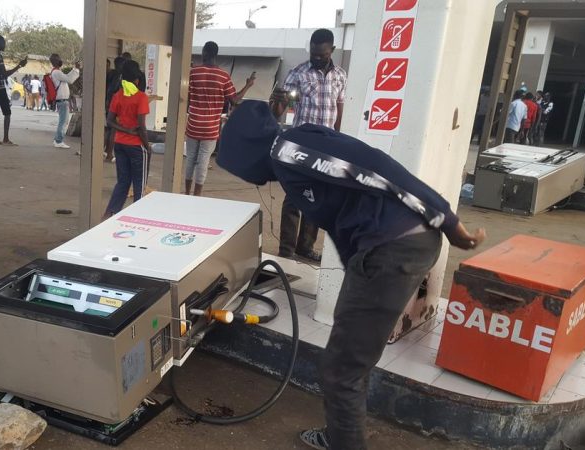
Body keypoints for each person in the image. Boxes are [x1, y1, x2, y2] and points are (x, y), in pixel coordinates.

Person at [217, 100, 486, 450]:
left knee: (341, 371)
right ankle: (340, 435)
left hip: (393, 249)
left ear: (245, 148)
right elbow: (340, 225)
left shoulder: (287, 149)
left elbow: (377, 165)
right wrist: (353, 276)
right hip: (382, 253)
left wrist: (447, 220)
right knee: (345, 361)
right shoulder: (287, 167)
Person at [270, 28, 347, 263]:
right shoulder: (298, 74)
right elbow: (278, 113)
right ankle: (286, 249)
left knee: (317, 198)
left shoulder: (340, 76)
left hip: (326, 146)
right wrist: (278, 100)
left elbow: (339, 107)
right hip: (301, 146)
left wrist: (339, 139)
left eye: (321, 55)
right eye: (313, 54)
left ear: (331, 50)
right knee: (294, 196)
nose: (316, 58)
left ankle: (306, 247)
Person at [184, 41, 255, 196]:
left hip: (193, 124)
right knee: (203, 160)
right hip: (210, 127)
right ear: (216, 55)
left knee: (190, 158)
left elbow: (187, 96)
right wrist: (248, 85)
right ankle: (197, 195)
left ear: (204, 53)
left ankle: (186, 192)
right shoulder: (223, 76)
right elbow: (234, 100)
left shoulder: (193, 73)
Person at [102, 60, 151, 220]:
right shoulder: (141, 97)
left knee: (123, 182)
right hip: (136, 146)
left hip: (119, 144)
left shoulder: (118, 95)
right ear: (137, 80)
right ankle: (138, 217)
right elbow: (141, 126)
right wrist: (147, 145)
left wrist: (125, 130)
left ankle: (110, 213)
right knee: (139, 185)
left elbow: (109, 121)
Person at [0, 35, 27, 145]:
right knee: (7, 114)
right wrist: (19, 66)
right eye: (3, 43)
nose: (5, 45)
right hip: (0, 88)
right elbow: (4, 74)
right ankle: (5, 139)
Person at [49, 54, 81, 149]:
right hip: (62, 101)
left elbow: (67, 77)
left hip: (62, 101)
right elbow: (70, 79)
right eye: (58, 59)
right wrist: (76, 69)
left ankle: (57, 140)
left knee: (63, 121)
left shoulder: (56, 72)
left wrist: (74, 69)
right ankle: (58, 141)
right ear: (54, 61)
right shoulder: (57, 72)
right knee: (63, 122)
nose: (60, 60)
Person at [104, 56, 127, 161]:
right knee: (113, 130)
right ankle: (109, 154)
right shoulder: (120, 76)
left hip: (109, 104)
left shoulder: (111, 74)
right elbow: (115, 91)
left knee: (108, 129)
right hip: (115, 105)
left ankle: (104, 151)